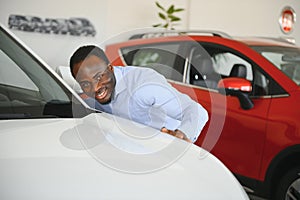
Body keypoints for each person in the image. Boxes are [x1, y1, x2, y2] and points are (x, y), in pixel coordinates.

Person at [69, 45, 208, 143]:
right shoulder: (87, 99)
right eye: (85, 84)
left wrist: (182, 135)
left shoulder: (143, 86)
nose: (95, 88)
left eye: (99, 77)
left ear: (110, 68)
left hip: (166, 149)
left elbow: (197, 111)